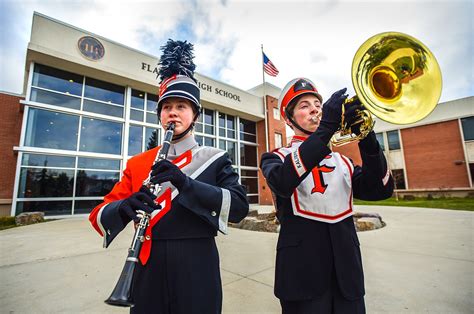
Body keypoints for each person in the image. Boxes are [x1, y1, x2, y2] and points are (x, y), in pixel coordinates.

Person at [89, 39, 249, 314]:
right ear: (160, 114)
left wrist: (185, 183)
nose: (172, 112)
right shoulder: (138, 162)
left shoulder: (215, 158)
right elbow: (99, 215)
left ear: (195, 115)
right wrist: (124, 208)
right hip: (146, 267)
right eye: (166, 107)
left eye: (182, 106)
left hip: (197, 265)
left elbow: (238, 208)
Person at [260, 78, 394, 314]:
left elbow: (380, 189)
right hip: (302, 277)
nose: (314, 109)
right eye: (304, 106)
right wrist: (326, 129)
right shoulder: (276, 158)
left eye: (317, 104)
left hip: (348, 277)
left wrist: (367, 137)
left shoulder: (344, 162)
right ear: (288, 119)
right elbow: (282, 182)